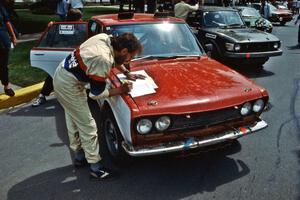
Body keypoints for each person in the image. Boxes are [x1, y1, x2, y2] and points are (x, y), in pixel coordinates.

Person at [53, 32, 144, 180]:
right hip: (69, 84)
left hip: (63, 74)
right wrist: (121, 90)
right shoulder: (102, 59)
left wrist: (127, 73)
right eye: (131, 57)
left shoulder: (105, 38)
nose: (130, 60)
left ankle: (79, 156)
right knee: (88, 126)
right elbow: (96, 94)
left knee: (73, 118)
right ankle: (96, 168)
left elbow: (116, 59)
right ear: (124, 51)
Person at [32, 8, 83, 107]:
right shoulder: (60, 28)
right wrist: (50, 28)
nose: (81, 21)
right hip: (65, 55)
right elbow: (49, 40)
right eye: (80, 19)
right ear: (75, 19)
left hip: (78, 55)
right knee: (53, 74)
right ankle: (42, 95)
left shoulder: (81, 27)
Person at [0, 0, 17, 97]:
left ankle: (6, 86)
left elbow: (7, 22)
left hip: (2, 39)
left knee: (3, 64)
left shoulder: (0, 6)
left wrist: (13, 36)